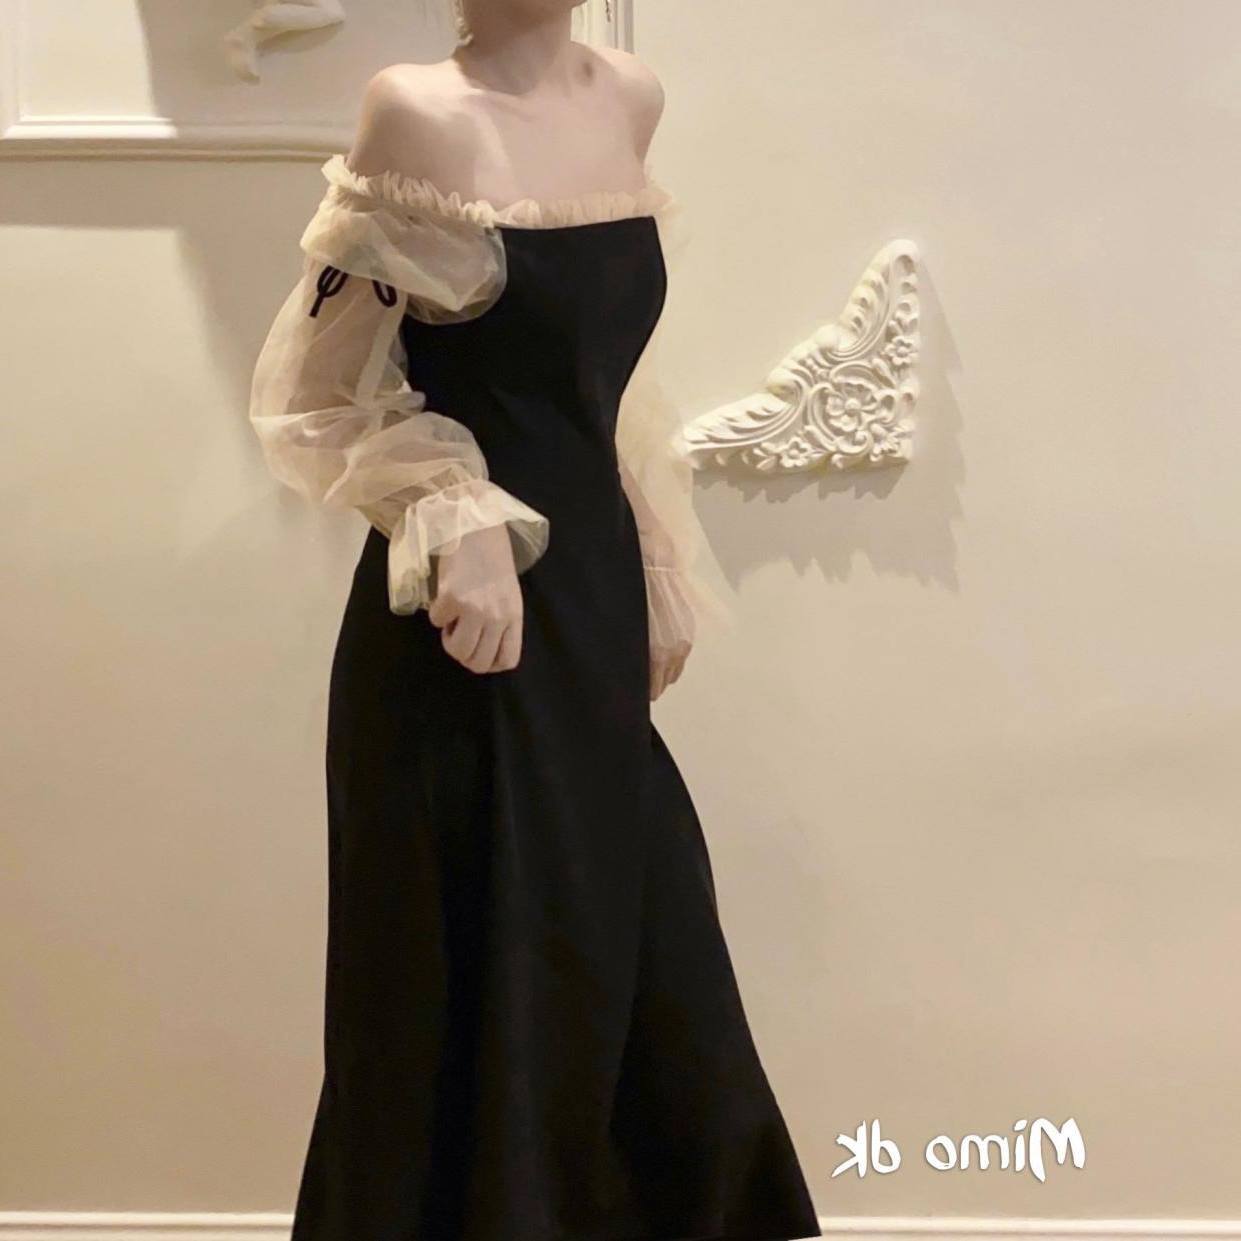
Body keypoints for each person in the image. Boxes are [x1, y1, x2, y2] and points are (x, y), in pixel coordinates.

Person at [247, 3, 823, 1239]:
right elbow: (318, 392)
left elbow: (600, 387)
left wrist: (652, 553)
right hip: (459, 634)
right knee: (467, 1010)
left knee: (659, 1005)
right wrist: (452, 511)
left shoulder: (630, 97)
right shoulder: (414, 111)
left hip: (588, 606)